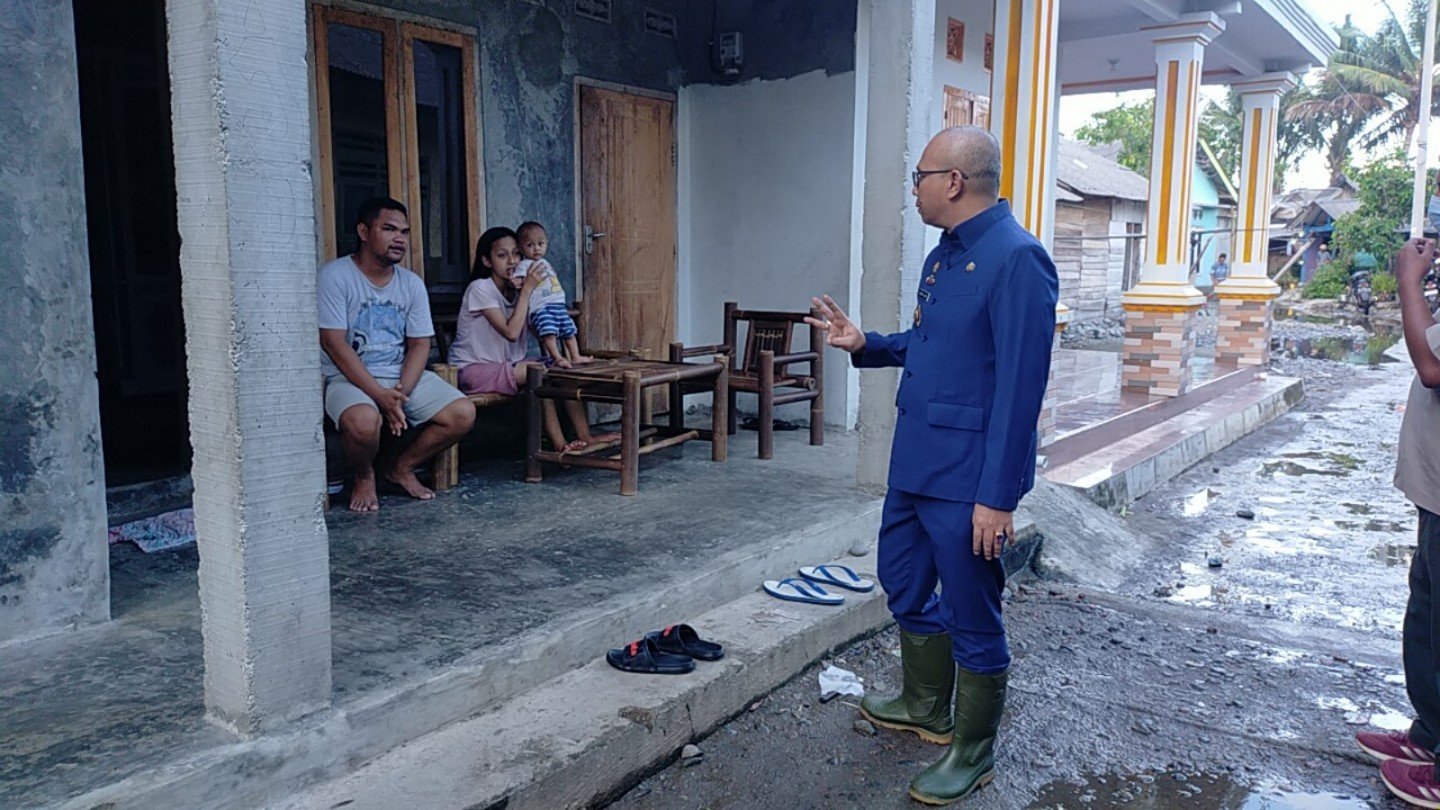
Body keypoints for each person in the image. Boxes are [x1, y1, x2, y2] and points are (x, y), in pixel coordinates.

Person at [806, 125, 1057, 805]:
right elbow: (931, 342)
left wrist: (998, 497)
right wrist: (868, 343)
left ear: (952, 182)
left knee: (974, 612)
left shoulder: (1017, 259)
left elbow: (1019, 387)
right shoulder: (947, 255)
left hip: (970, 479)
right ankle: (926, 707)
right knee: (904, 582)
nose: (912, 189)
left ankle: (972, 752)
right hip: (918, 463)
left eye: (918, 176)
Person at [318, 197, 475, 512]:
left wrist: (399, 393)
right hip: (346, 377)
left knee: (462, 413)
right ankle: (364, 475)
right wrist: (379, 394)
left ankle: (400, 467)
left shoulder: (412, 284)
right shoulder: (335, 276)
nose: (399, 239)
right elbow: (334, 343)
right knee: (363, 421)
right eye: (389, 229)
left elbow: (419, 344)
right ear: (364, 231)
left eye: (404, 232)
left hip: (399, 376)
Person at [1359, 237, 1440, 807]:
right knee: (1427, 610)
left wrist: (1408, 281)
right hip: (1433, 491)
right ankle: (1429, 735)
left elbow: (1432, 369)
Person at [450, 226, 611, 452]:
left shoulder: (516, 289)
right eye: (502, 255)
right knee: (540, 373)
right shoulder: (480, 288)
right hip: (474, 369)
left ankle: (586, 436)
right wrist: (526, 291)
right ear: (487, 261)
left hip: (511, 366)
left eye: (516, 254)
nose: (512, 261)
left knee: (564, 368)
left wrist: (537, 297)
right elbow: (511, 333)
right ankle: (560, 446)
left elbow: (537, 330)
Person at [514, 221, 590, 368]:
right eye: (530, 245)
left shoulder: (545, 262)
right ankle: (557, 357)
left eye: (540, 244)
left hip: (558, 305)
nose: (536, 248)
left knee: (569, 331)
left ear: (546, 243)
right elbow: (518, 281)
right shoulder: (524, 265)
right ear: (521, 248)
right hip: (541, 307)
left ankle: (575, 356)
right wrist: (514, 282)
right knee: (549, 333)